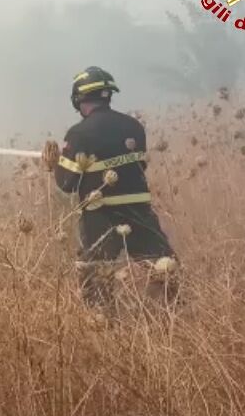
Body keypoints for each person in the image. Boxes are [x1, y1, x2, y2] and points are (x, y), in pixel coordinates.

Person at [52, 66, 177, 305]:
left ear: (78, 99)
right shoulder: (133, 126)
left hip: (101, 218)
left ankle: (103, 325)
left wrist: (54, 163)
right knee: (163, 267)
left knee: (96, 276)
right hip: (140, 212)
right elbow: (138, 167)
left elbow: (68, 183)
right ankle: (170, 318)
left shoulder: (79, 134)